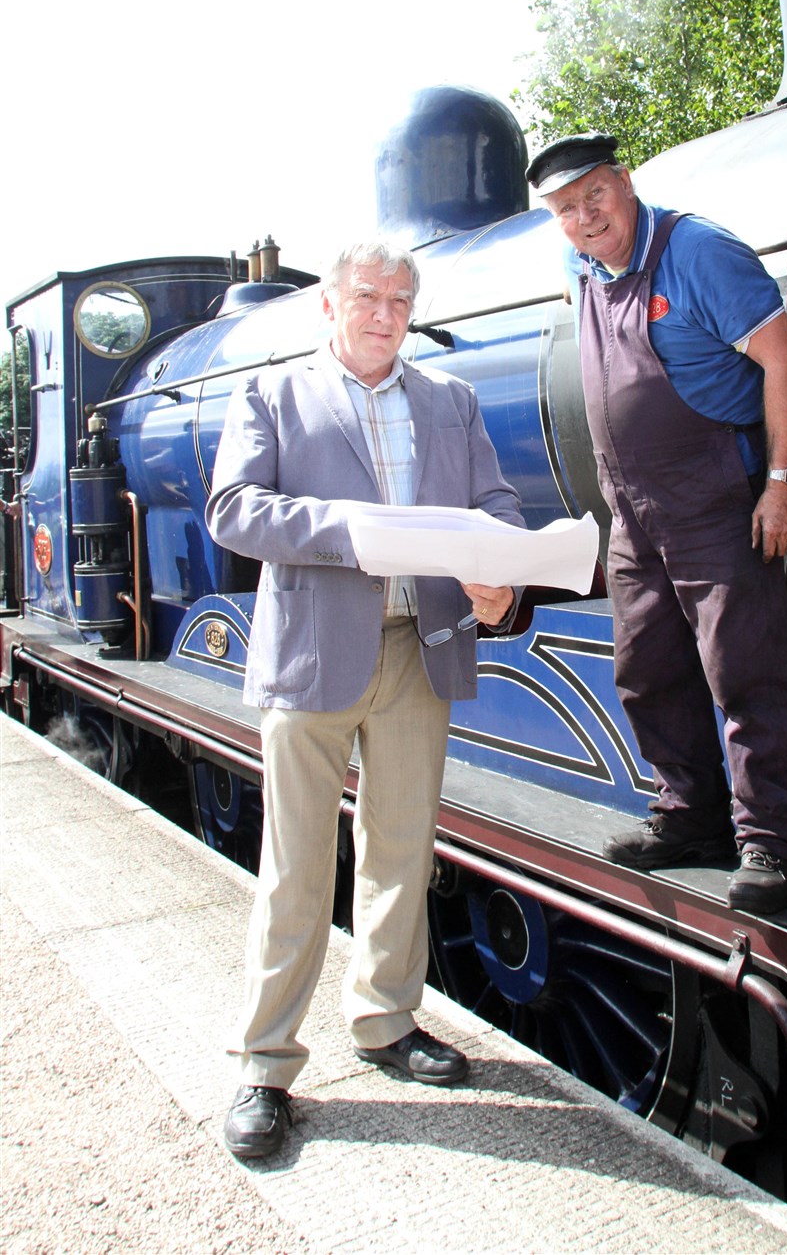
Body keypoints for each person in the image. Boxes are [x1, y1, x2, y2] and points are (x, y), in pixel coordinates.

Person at [206, 239, 523, 1159]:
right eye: (368, 295)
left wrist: (496, 570)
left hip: (419, 648)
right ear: (331, 306)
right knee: (296, 865)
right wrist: (351, 531)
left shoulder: (450, 401)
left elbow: (496, 503)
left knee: (400, 851)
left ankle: (385, 1023)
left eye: (400, 298)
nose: (385, 311)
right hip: (314, 652)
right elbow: (234, 508)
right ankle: (264, 1065)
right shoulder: (272, 395)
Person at [528, 134, 787, 916]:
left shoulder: (700, 253)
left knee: (743, 671)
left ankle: (772, 841)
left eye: (596, 195)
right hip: (631, 508)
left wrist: (782, 484)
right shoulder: (576, 265)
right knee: (647, 670)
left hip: (715, 496)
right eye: (566, 209)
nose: (586, 218)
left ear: (625, 182)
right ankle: (690, 819)